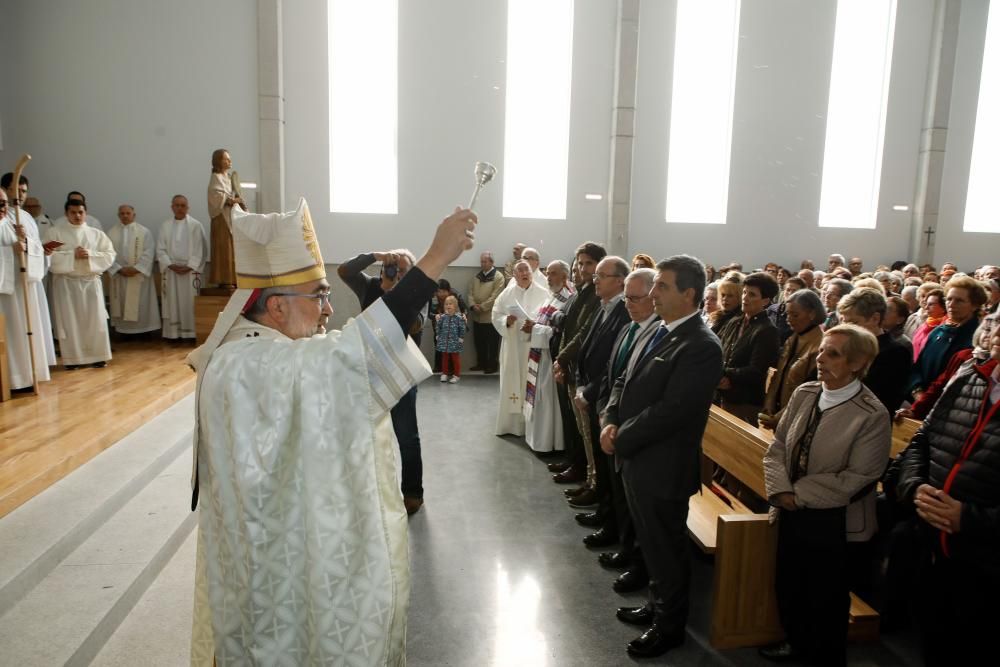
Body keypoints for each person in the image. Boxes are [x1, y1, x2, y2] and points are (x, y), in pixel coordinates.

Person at [187, 198, 476, 666]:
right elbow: (355, 357)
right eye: (319, 296)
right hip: (276, 565)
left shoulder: (258, 352)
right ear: (277, 306)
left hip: (277, 544)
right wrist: (434, 259)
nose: (327, 310)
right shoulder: (252, 364)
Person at [600, 254, 722, 658]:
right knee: (652, 545)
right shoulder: (665, 332)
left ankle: (669, 626)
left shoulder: (701, 344)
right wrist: (611, 418)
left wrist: (623, 436)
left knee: (666, 549)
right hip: (639, 457)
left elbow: (674, 410)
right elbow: (627, 379)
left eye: (662, 286)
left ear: (689, 294)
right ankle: (657, 606)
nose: (653, 294)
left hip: (663, 464)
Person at [760, 324, 890, 666]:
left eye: (833, 353)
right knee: (790, 587)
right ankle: (796, 643)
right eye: (821, 351)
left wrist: (795, 493)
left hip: (834, 522)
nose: (820, 358)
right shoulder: (805, 392)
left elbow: (859, 477)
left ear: (858, 363)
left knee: (826, 601)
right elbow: (778, 447)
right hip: (790, 510)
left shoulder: (871, 414)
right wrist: (780, 489)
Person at [894, 328, 1000, 666]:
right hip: (936, 550)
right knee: (936, 645)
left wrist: (967, 517)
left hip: (988, 565)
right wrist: (914, 486)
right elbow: (923, 439)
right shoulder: (970, 376)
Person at [337, 247, 427, 515]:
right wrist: (376, 255)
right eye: (392, 267)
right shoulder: (370, 286)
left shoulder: (417, 291)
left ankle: (413, 492)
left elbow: (416, 325)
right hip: (367, 372)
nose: (397, 273)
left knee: (407, 436)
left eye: (403, 270)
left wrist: (397, 294)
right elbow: (344, 270)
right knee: (364, 434)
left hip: (401, 373)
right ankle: (365, 491)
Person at [568, 255, 629, 521]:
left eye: (601, 275)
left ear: (619, 281)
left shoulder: (624, 312)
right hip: (591, 390)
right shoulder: (603, 306)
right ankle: (602, 507)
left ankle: (607, 513)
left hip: (604, 396)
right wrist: (581, 383)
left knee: (606, 461)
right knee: (594, 450)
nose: (595, 279)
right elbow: (587, 346)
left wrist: (590, 391)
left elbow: (613, 362)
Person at [552, 243, 605, 486]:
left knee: (587, 431)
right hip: (571, 365)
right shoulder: (583, 291)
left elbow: (584, 332)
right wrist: (562, 361)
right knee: (578, 427)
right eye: (580, 263)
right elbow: (566, 325)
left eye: (589, 263)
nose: (582, 268)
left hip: (584, 369)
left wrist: (562, 358)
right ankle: (580, 467)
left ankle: (590, 478)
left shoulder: (596, 294)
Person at [43, 199, 115, 369]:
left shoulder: (97, 234)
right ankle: (73, 359)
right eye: (73, 212)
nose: (77, 216)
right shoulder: (54, 233)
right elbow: (46, 257)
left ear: (86, 213)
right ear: (66, 214)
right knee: (70, 322)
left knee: (95, 320)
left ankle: (98, 356)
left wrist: (89, 254)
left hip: (90, 282)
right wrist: (71, 255)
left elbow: (110, 255)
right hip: (66, 283)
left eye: (80, 212)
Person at [0, 185, 54, 390]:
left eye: (4, 203)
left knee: (22, 333)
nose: (2, 207)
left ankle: (25, 376)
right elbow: (9, 252)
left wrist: (33, 247)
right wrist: (8, 250)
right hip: (2, 295)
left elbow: (28, 251)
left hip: (20, 290)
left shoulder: (13, 223)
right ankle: (10, 380)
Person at [522, 259, 573, 453]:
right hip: (539, 355)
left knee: (548, 401)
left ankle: (551, 443)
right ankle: (536, 440)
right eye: (547, 272)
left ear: (564, 276)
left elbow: (561, 332)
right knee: (539, 399)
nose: (548, 277)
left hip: (552, 357)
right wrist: (531, 326)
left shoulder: (568, 299)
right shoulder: (550, 296)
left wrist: (534, 328)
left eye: (552, 273)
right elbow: (542, 321)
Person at [717, 272, 780, 426]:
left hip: (744, 402)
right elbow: (719, 350)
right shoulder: (735, 321)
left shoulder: (767, 330)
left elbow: (756, 371)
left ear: (765, 301)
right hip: (721, 394)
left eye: (752, 294)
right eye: (744, 292)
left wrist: (725, 374)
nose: (745, 297)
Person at [492, 259, 547, 436]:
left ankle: (530, 428)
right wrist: (505, 321)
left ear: (532, 272)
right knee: (511, 383)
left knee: (530, 383)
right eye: (520, 271)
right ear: (514, 275)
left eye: (527, 270)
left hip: (533, 347)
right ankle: (510, 426)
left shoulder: (543, 293)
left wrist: (535, 324)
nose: (524, 273)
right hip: (513, 347)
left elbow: (548, 317)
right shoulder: (506, 295)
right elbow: (496, 314)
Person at [909, 276, 987, 401]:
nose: (951, 304)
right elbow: (917, 367)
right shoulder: (938, 332)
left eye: (959, 301)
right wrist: (917, 390)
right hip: (919, 402)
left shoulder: (978, 338)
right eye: (949, 299)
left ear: (974, 305)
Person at [837, 288, 912, 414]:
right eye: (843, 322)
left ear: (875, 319)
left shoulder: (895, 353)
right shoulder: (842, 345)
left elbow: (876, 399)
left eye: (853, 322)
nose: (846, 328)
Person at [760, 289, 826, 429]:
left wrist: (780, 417)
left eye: (795, 315)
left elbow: (809, 392)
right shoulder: (792, 339)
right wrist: (769, 406)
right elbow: (778, 376)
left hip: (798, 417)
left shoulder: (819, 346)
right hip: (779, 410)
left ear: (812, 314)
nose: (788, 319)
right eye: (787, 314)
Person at [157, 195, 207, 341]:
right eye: (177, 205)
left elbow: (201, 249)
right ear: (172, 207)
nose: (180, 208)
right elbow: (160, 249)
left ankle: (190, 333)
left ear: (188, 207)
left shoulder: (196, 225)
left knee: (190, 302)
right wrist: (170, 265)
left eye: (183, 205)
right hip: (171, 271)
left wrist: (189, 266)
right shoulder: (165, 226)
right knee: (172, 302)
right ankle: (173, 334)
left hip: (190, 272)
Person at [107, 205, 159, 336]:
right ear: (118, 215)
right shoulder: (111, 233)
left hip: (138, 276)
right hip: (120, 276)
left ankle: (144, 332)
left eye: (128, 213)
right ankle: (124, 332)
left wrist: (137, 269)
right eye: (122, 213)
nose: (125, 215)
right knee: (122, 304)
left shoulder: (144, 232)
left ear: (133, 215)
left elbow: (149, 252)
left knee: (141, 305)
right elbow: (107, 253)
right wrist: (118, 269)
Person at [206, 148, 243, 288]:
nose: (229, 161)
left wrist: (237, 200)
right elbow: (216, 197)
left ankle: (232, 278)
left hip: (230, 219)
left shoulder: (228, 178)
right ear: (218, 161)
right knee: (223, 248)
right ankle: (223, 279)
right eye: (226, 159)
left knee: (232, 248)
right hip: (221, 219)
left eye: (229, 158)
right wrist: (231, 201)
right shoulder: (216, 177)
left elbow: (231, 195)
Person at [468, 251, 505, 373]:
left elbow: (496, 296)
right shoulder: (476, 276)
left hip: (490, 316)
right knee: (479, 342)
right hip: (477, 316)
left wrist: (482, 307)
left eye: (484, 261)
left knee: (492, 343)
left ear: (491, 262)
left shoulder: (498, 277)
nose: (482, 264)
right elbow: (470, 293)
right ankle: (481, 363)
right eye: (481, 261)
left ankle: (491, 366)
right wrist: (473, 306)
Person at [435, 295, 465, 383]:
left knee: (455, 359)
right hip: (444, 342)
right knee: (444, 358)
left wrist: (461, 338)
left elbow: (462, 328)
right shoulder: (443, 317)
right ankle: (444, 373)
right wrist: (438, 335)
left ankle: (456, 375)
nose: (448, 306)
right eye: (446, 304)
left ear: (455, 306)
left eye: (450, 304)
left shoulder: (459, 318)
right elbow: (438, 326)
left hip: (455, 342)